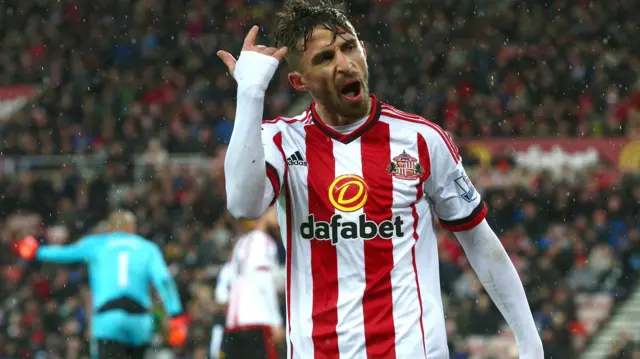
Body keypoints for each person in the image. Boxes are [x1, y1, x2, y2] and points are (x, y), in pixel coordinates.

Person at [217, 0, 544, 358]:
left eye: (349, 47)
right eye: (325, 59)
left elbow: (479, 242)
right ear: (299, 81)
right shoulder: (280, 141)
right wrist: (249, 95)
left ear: (364, 50)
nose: (345, 64)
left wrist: (530, 343)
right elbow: (242, 204)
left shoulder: (422, 140)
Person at [16, 210, 188, 359]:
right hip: (139, 320)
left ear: (110, 229)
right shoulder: (147, 248)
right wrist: (176, 315)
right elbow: (164, 281)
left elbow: (64, 253)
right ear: (133, 228)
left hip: (108, 319)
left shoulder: (97, 244)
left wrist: (36, 251)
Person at [216, 208, 285, 359]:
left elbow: (226, 282)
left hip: (234, 323)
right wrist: (276, 321)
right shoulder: (264, 242)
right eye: (274, 210)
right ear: (264, 214)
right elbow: (263, 282)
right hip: (258, 321)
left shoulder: (241, 243)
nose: (278, 215)